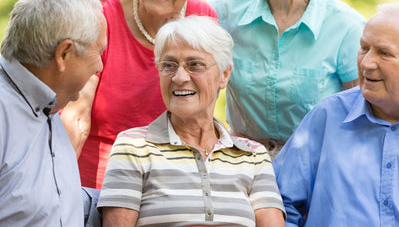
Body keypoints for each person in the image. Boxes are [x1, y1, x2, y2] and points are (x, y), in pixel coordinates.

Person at [85, 0, 366, 159]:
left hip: (317, 168)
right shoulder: (225, 12)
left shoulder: (346, 29)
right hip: (245, 166)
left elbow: (360, 122)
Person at [61, 0, 222, 189]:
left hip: (171, 182)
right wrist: (61, 191)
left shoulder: (203, 20)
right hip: (98, 184)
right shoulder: (103, 16)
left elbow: (201, 119)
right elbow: (76, 115)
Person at [97, 15, 286, 227]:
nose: (179, 77)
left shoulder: (253, 155)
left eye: (194, 65)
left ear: (224, 75)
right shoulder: (133, 147)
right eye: (168, 65)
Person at [273, 2, 399, 226]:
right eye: (363, 48)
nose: (367, 63)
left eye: (384, 53)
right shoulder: (328, 116)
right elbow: (278, 202)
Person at [0, 0, 106, 226]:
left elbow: (40, 204)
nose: (100, 66)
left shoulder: (47, 105)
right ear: (64, 54)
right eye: (98, 51)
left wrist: (126, 199)